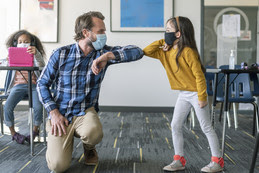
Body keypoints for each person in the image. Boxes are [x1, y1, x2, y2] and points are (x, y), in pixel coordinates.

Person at [37, 11, 143, 172]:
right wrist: (53, 113)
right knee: (58, 166)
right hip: (60, 114)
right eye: (101, 31)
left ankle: (89, 146)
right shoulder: (61, 54)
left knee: (94, 133)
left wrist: (107, 56)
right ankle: (62, 141)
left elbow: (137, 52)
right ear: (86, 32)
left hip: (85, 112)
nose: (104, 35)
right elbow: (42, 84)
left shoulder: (102, 54)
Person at [143, 16, 224, 172]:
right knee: (175, 125)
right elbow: (147, 51)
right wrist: (163, 42)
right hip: (183, 94)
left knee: (206, 127)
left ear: (178, 34)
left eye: (168, 31)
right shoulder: (165, 52)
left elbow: (199, 76)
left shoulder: (188, 52)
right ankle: (179, 159)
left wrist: (202, 97)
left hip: (195, 93)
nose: (165, 33)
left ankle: (217, 161)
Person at [4, 30, 46, 144]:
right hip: (18, 86)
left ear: (31, 43)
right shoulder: (12, 55)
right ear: (15, 44)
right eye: (20, 41)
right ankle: (13, 134)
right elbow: (5, 66)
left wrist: (36, 53)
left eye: (26, 41)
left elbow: (42, 66)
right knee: (7, 107)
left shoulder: (35, 54)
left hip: (33, 86)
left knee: (38, 107)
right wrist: (8, 61)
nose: (23, 43)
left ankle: (35, 131)